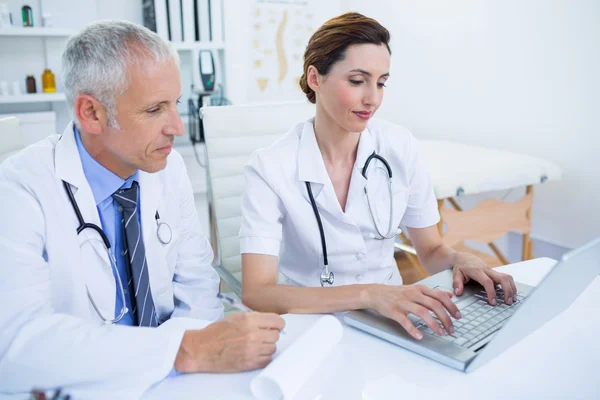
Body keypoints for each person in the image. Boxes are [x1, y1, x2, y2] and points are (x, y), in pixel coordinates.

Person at [0, 21, 283, 398]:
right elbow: (17, 344)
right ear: (92, 113)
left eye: (176, 104)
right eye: (154, 109)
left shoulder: (167, 169)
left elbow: (198, 290)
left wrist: (171, 362)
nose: (177, 128)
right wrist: (180, 351)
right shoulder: (19, 189)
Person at [240, 12, 517, 340]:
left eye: (381, 82)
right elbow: (257, 293)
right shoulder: (271, 167)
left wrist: (458, 258)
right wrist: (369, 294)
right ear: (315, 78)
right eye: (357, 81)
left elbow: (429, 250)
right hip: (310, 326)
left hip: (394, 320)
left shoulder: (400, 147)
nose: (372, 98)